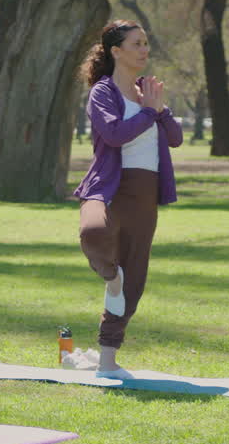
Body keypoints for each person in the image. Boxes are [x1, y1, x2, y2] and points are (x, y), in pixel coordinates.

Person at [72, 20, 183, 379]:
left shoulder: (146, 92)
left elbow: (176, 138)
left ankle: (107, 360)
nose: (144, 50)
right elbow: (115, 134)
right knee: (92, 233)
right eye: (136, 43)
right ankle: (110, 274)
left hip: (145, 194)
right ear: (116, 51)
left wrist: (160, 110)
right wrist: (150, 112)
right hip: (108, 185)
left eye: (146, 43)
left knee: (135, 279)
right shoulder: (103, 92)